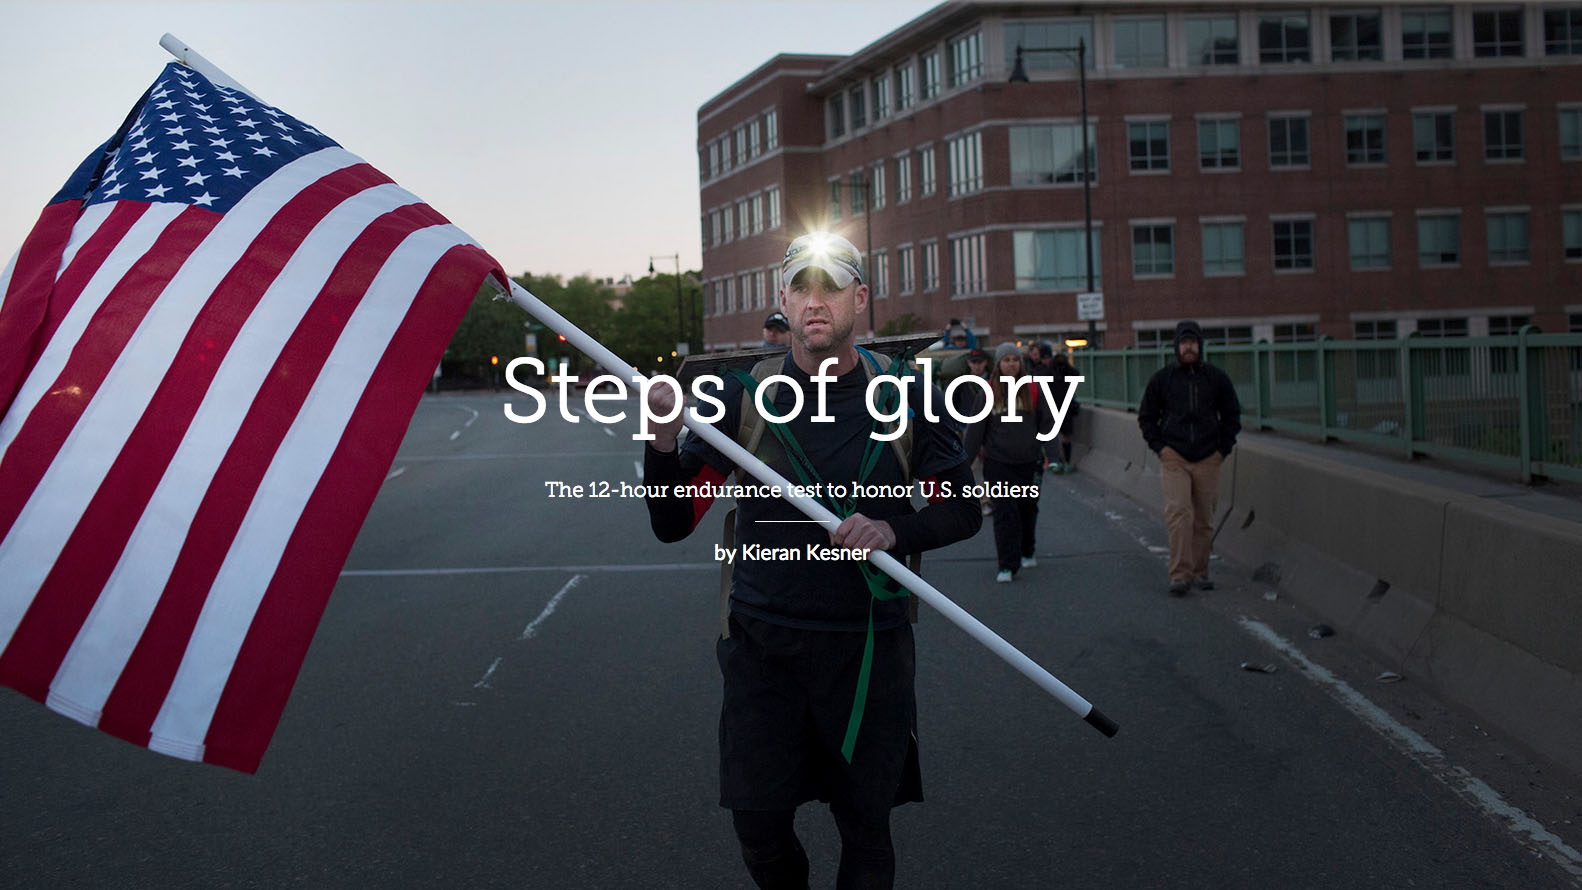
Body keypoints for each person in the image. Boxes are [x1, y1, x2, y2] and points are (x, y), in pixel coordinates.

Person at [642, 231, 981, 889]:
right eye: (801, 286)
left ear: (861, 297)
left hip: (868, 651)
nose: (814, 301)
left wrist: (893, 528)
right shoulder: (738, 398)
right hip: (761, 646)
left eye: (831, 286)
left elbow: (962, 509)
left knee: (866, 828)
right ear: (783, 300)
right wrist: (660, 439)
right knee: (759, 831)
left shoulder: (911, 394)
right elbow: (672, 520)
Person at [1137, 320, 1242, 596]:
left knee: (1204, 518)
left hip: (1209, 457)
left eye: (1193, 343)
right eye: (1184, 343)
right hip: (1174, 456)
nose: (1189, 348)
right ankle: (1180, 574)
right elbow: (1147, 417)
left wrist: (1222, 450)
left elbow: (1232, 416)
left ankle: (1199, 570)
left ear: (1200, 346)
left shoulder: (1216, 379)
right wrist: (1161, 448)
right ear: (1176, 347)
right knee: (1179, 514)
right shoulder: (1163, 379)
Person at [962, 343, 1060, 584]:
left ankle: (1028, 549)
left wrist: (1054, 457)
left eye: (1014, 360)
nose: (1010, 364)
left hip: (1029, 462)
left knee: (1027, 509)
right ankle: (1006, 564)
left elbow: (1048, 423)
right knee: (1005, 512)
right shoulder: (988, 392)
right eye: (1005, 360)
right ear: (998, 364)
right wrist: (964, 462)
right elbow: (975, 431)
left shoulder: (1034, 390)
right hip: (998, 464)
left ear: (1020, 363)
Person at [1046, 349, 1082, 473]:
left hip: (1053, 407)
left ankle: (1057, 463)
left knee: (1054, 436)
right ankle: (1066, 462)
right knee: (1065, 436)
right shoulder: (1069, 372)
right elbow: (1076, 374)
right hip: (1066, 407)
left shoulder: (1049, 373)